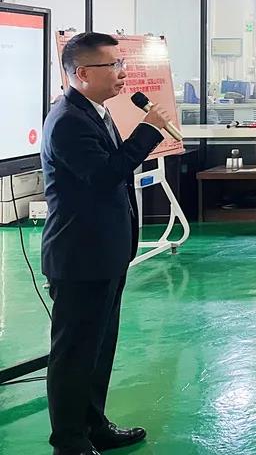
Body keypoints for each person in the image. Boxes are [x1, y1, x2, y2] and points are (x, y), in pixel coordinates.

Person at [40, 32, 170, 455]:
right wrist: (147, 133)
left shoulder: (94, 110)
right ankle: (69, 441)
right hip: (80, 256)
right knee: (74, 353)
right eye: (112, 65)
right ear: (81, 73)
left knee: (98, 349)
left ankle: (94, 425)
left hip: (106, 252)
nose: (121, 73)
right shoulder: (68, 121)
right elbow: (104, 175)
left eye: (121, 63)